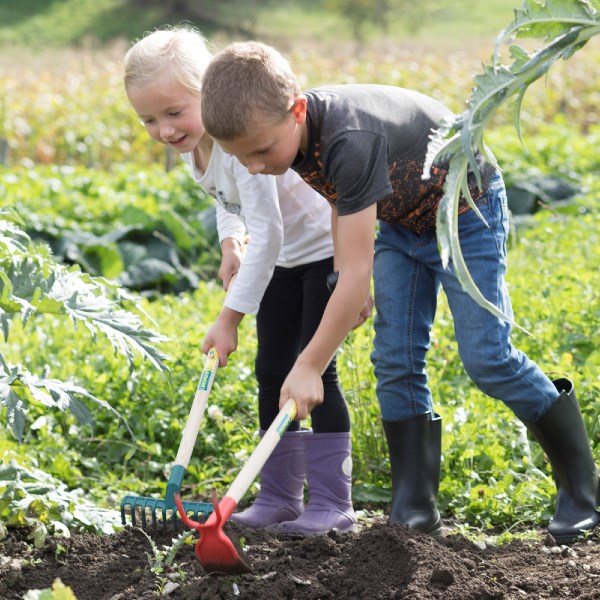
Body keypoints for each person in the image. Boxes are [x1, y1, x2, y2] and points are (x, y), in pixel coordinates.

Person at [200, 40, 600, 543]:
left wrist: (308, 364)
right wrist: (347, 270)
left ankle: (582, 490)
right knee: (395, 361)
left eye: (261, 152)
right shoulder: (291, 140)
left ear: (298, 109)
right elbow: (340, 202)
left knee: (487, 358)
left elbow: (353, 265)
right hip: (400, 225)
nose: (256, 167)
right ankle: (415, 507)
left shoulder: (348, 137)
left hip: (465, 212)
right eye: (243, 159)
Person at [123, 27, 368, 536]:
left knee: (315, 374)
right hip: (280, 261)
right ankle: (279, 496)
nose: (164, 130)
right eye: (148, 118)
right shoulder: (199, 149)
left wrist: (228, 317)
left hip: (322, 252)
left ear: (208, 98)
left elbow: (272, 232)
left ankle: (332, 502)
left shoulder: (240, 146)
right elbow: (226, 203)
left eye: (174, 112)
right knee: (271, 369)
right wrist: (230, 241)